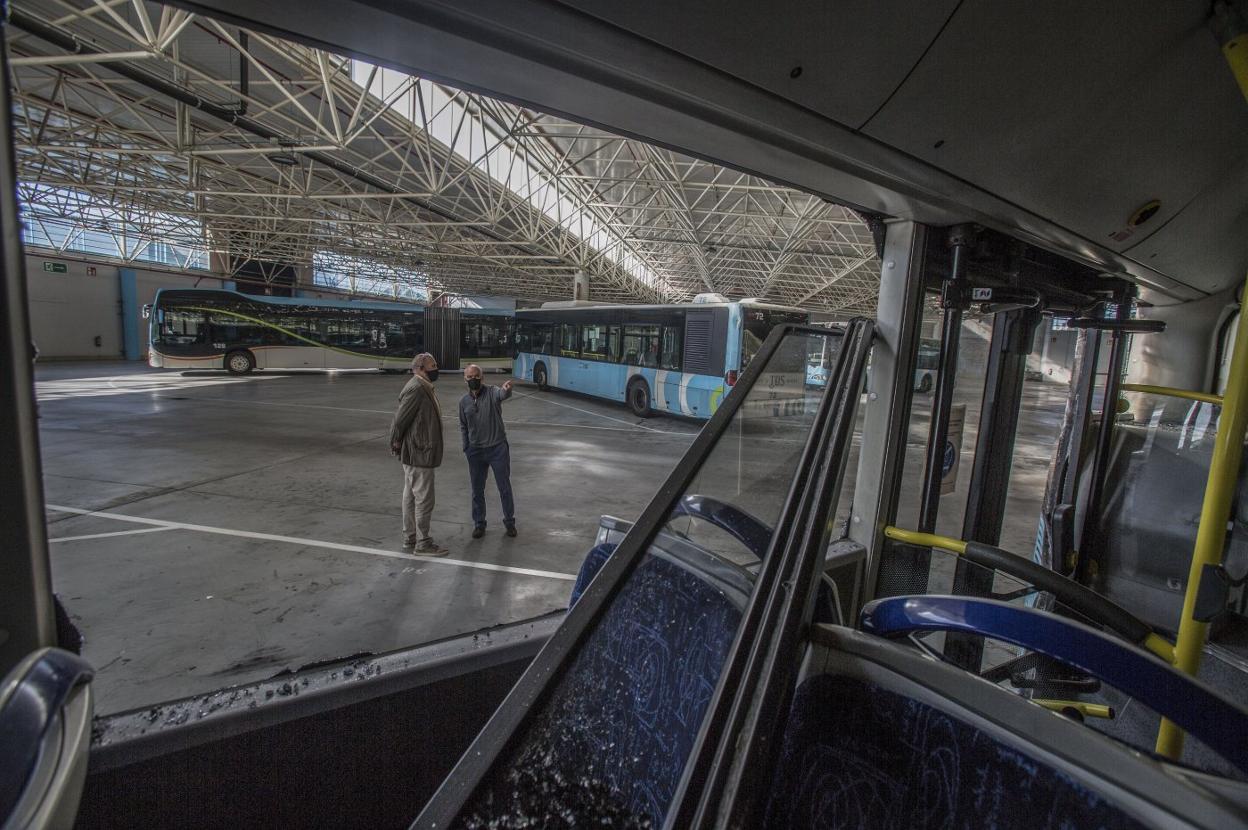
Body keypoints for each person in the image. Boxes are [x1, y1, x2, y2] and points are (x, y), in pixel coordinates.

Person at [390, 352, 447, 555]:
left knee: (411, 496)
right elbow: (400, 420)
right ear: (420, 369)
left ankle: (410, 537)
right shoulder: (417, 388)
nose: (436, 368)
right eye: (432, 365)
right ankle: (423, 543)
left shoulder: (422, 386)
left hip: (416, 451)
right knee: (424, 498)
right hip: (419, 453)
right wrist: (395, 441)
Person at [459, 364, 516, 538]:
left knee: (504, 487)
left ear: (482, 378)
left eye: (476, 376)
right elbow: (463, 425)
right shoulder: (464, 402)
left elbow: (502, 394)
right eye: (469, 377)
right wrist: (466, 446)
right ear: (465, 379)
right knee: (477, 490)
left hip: (497, 448)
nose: (473, 379)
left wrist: (506, 390)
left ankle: (509, 522)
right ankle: (479, 523)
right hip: (475, 452)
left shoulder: (492, 392)